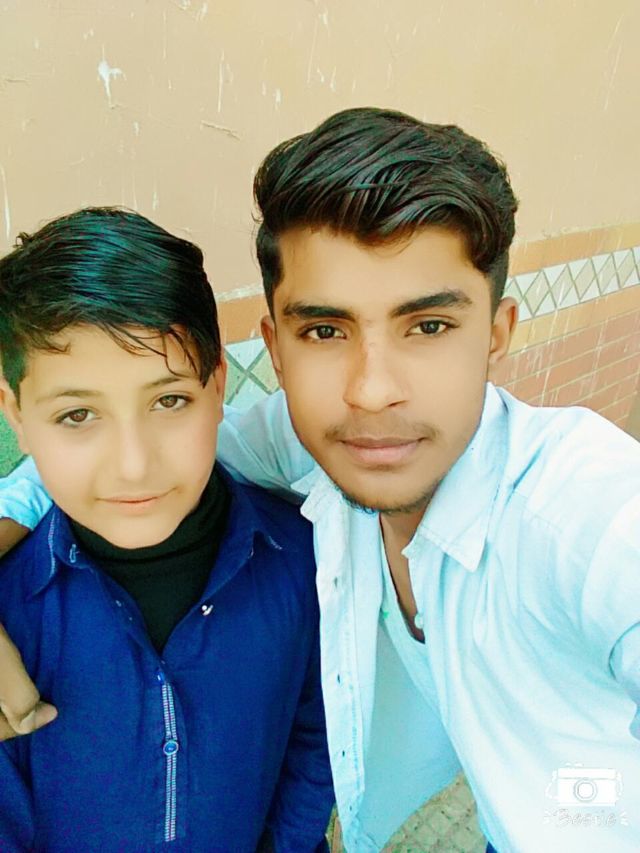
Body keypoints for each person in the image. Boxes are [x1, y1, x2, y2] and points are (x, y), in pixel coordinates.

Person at [1, 107, 640, 852]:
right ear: (276, 348)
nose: (372, 391)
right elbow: (114, 461)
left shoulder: (585, 514)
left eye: (429, 326)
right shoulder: (304, 441)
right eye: (326, 331)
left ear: (496, 335)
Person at [0, 207, 333, 852]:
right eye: (77, 415)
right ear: (16, 416)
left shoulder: (306, 560)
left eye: (169, 400)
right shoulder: (12, 606)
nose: (133, 465)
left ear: (217, 387)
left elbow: (316, 737)